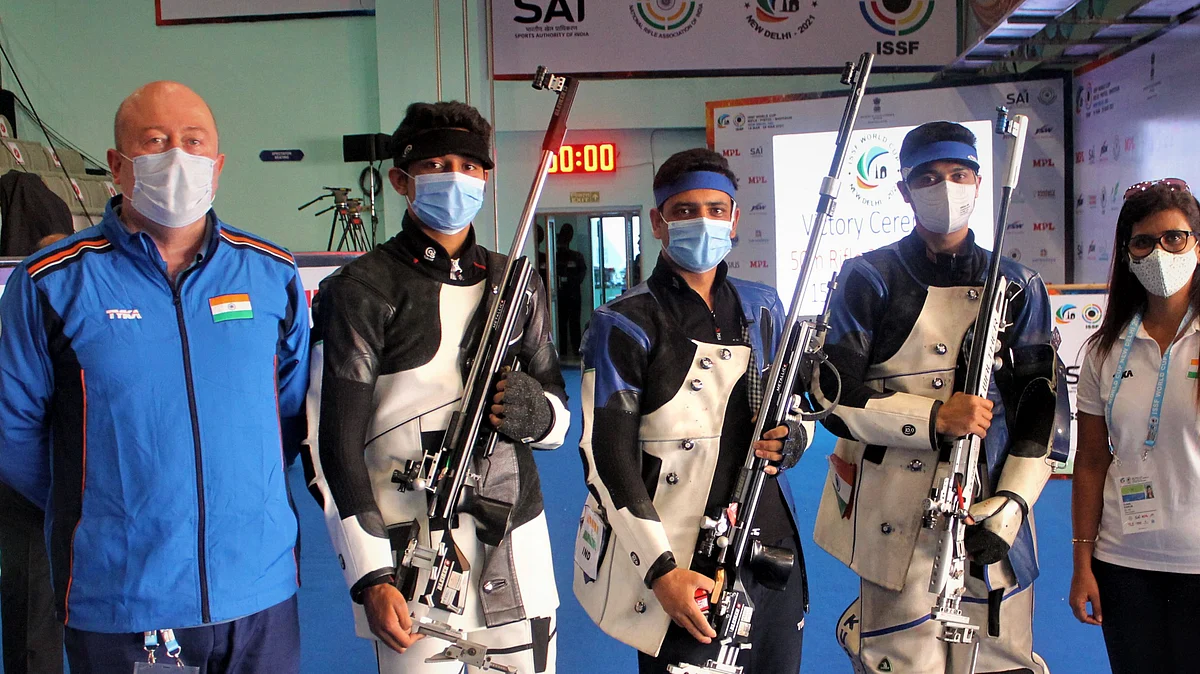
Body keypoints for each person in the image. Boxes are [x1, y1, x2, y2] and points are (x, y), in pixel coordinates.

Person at [0, 81, 309, 673]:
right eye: (155, 141)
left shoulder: (271, 273)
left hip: (259, 589)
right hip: (122, 595)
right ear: (118, 166)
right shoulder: (51, 284)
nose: (178, 157)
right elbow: (14, 435)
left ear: (218, 165)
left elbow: (289, 415)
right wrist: (110, 502)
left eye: (194, 142)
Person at [305, 101, 570, 674]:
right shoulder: (360, 289)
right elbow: (332, 447)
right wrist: (371, 573)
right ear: (400, 180)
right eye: (436, 164)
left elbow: (558, 412)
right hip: (410, 553)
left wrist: (541, 415)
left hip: (515, 541)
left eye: (470, 166)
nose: (456, 178)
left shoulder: (516, 282)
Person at [811, 122, 1057, 673]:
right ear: (904, 190)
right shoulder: (867, 277)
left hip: (991, 505)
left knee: (1000, 657)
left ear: (978, 182)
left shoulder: (1019, 284)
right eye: (928, 178)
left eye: (959, 174)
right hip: (893, 508)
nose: (945, 187)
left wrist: (1012, 504)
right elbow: (832, 395)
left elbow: (1042, 409)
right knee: (901, 656)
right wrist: (934, 417)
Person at [574, 148, 811, 674]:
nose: (703, 221)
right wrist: (661, 570)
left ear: (734, 218)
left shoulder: (764, 305)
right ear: (658, 222)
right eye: (684, 210)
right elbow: (606, 456)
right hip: (681, 553)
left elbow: (794, 406)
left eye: (715, 209)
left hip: (770, 537)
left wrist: (795, 438)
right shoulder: (624, 321)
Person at [1070, 179, 1200, 673]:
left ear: (1197, 245)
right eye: (1144, 242)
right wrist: (1082, 563)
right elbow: (1090, 461)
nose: (1160, 252)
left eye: (1174, 238)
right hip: (1123, 565)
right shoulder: (1103, 350)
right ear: (1127, 254)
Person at [0, 232, 69, 674]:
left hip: (85, 494)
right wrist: (61, 497)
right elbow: (11, 430)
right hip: (33, 489)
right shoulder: (24, 306)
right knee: (32, 615)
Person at [555, 222, 587, 357]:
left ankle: (576, 350)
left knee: (574, 324)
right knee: (561, 325)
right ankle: (562, 352)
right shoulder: (555, 256)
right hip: (559, 296)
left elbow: (581, 274)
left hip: (573, 295)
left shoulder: (577, 256)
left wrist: (570, 281)